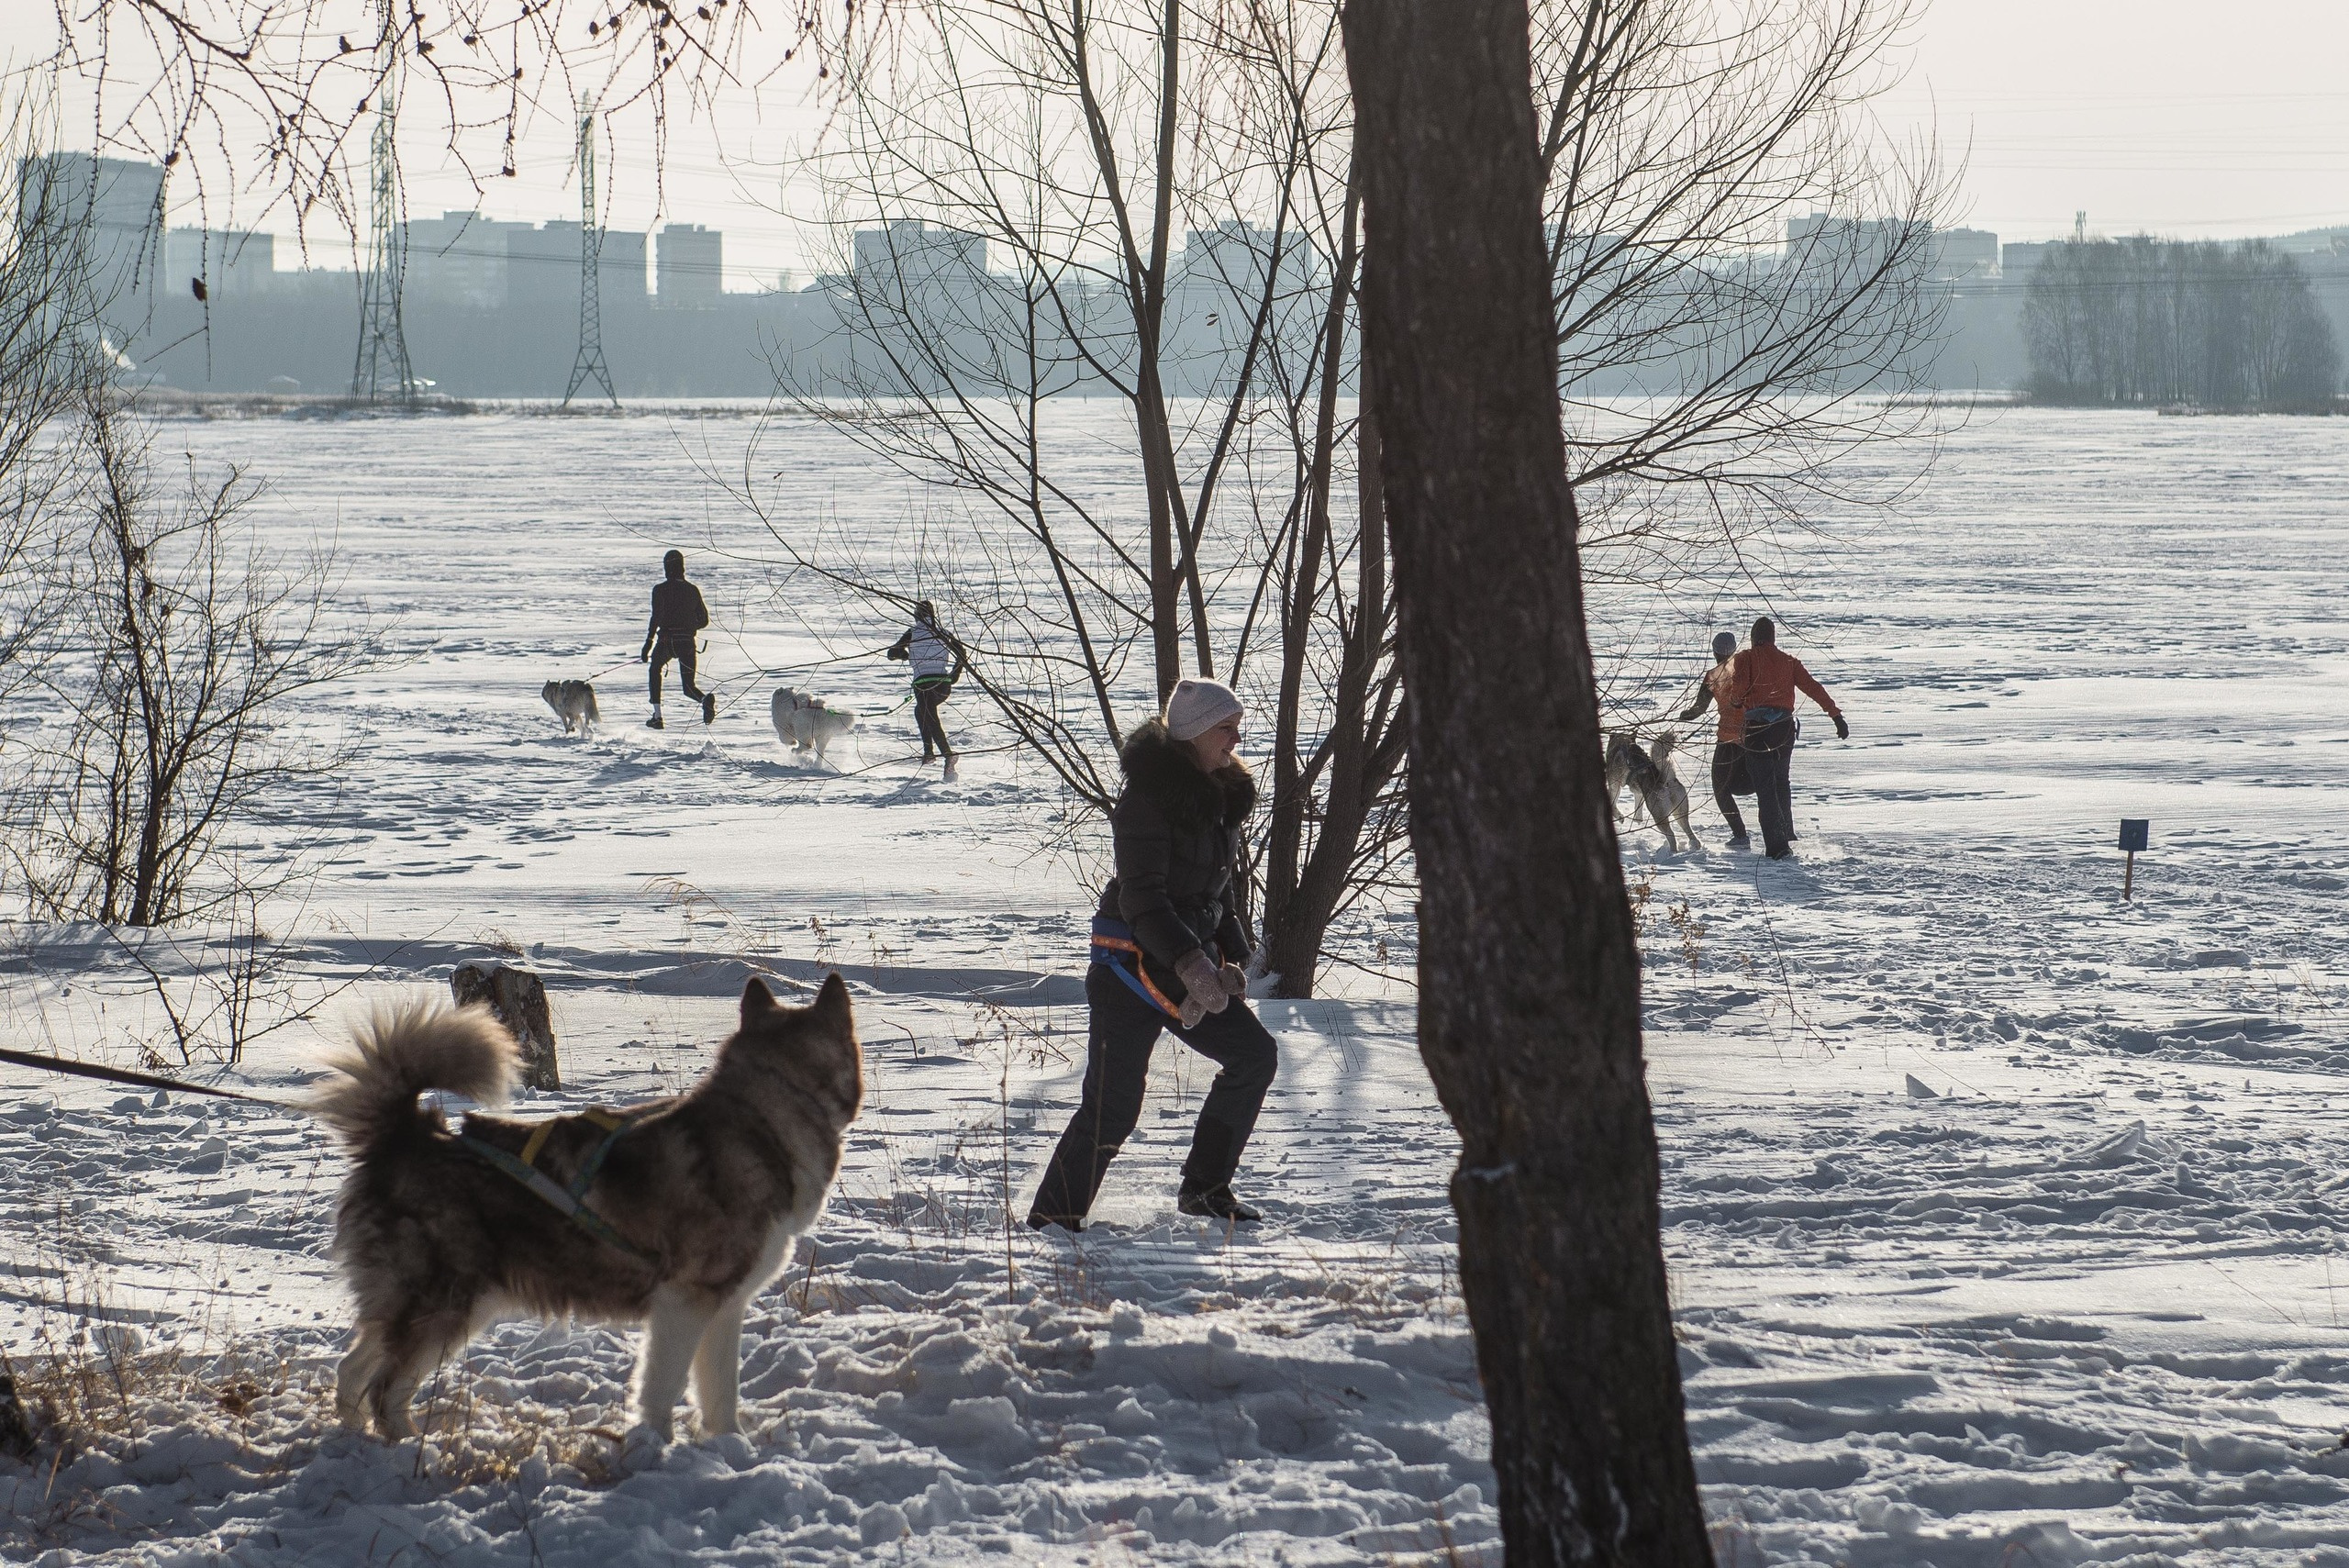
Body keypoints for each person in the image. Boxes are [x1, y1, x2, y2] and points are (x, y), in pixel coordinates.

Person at [1028, 678, 1277, 1231]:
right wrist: (1193, 963)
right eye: (1225, 730)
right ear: (1193, 734)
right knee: (1112, 1109)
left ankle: (1206, 1189)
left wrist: (1236, 950)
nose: (1235, 742)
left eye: (1236, 729)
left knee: (1254, 1056)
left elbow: (1217, 888)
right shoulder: (1145, 800)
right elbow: (1143, 898)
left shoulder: (1217, 792)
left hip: (1186, 967)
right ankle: (1053, 1220)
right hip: (1127, 970)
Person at [1724, 616, 1847, 860]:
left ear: (1753, 638)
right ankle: (1787, 832)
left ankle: (1777, 847)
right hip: (1783, 729)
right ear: (1773, 638)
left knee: (1765, 787)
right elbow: (1813, 688)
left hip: (1757, 730)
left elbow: (1737, 693)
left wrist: (1736, 701)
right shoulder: (1789, 662)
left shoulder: (1745, 658)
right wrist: (1836, 716)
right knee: (1781, 780)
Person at [1679, 629, 1753, 848]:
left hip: (1727, 740)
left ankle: (1740, 835)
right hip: (1752, 737)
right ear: (1734, 650)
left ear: (1714, 652)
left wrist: (1683, 716)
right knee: (1762, 782)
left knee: (1720, 788)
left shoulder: (1712, 676)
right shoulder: (1748, 671)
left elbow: (1698, 709)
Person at [886, 601, 969, 769]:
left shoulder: (912, 633)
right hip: (943, 685)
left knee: (929, 716)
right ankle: (929, 753)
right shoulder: (942, 632)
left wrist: (905, 655)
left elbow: (891, 653)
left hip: (923, 683)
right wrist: (955, 674)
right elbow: (961, 652)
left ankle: (947, 754)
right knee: (921, 711)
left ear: (916, 615)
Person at [640, 550, 715, 729]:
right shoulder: (693, 590)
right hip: (687, 643)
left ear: (667, 568)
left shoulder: (660, 590)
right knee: (688, 687)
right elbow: (704, 620)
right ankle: (705, 700)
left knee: (655, 670)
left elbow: (655, 617)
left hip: (666, 640)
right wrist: (688, 627)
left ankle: (657, 717)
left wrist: (648, 644)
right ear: (682, 567)